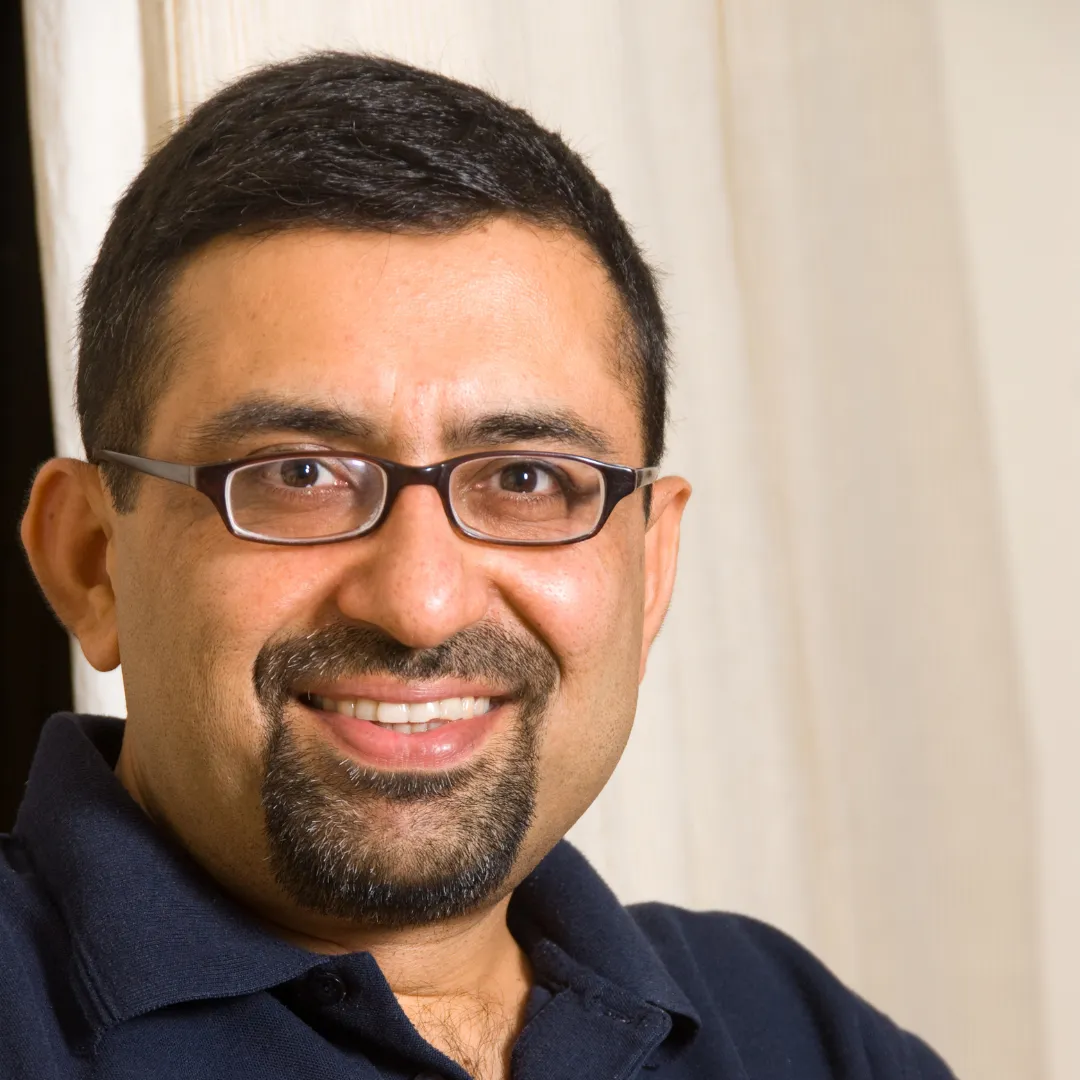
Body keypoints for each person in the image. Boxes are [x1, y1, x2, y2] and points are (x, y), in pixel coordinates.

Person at [3, 52, 954, 1080]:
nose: (420, 602)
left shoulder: (797, 1033)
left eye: (527, 480)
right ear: (91, 561)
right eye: (301, 474)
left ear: (651, 570)